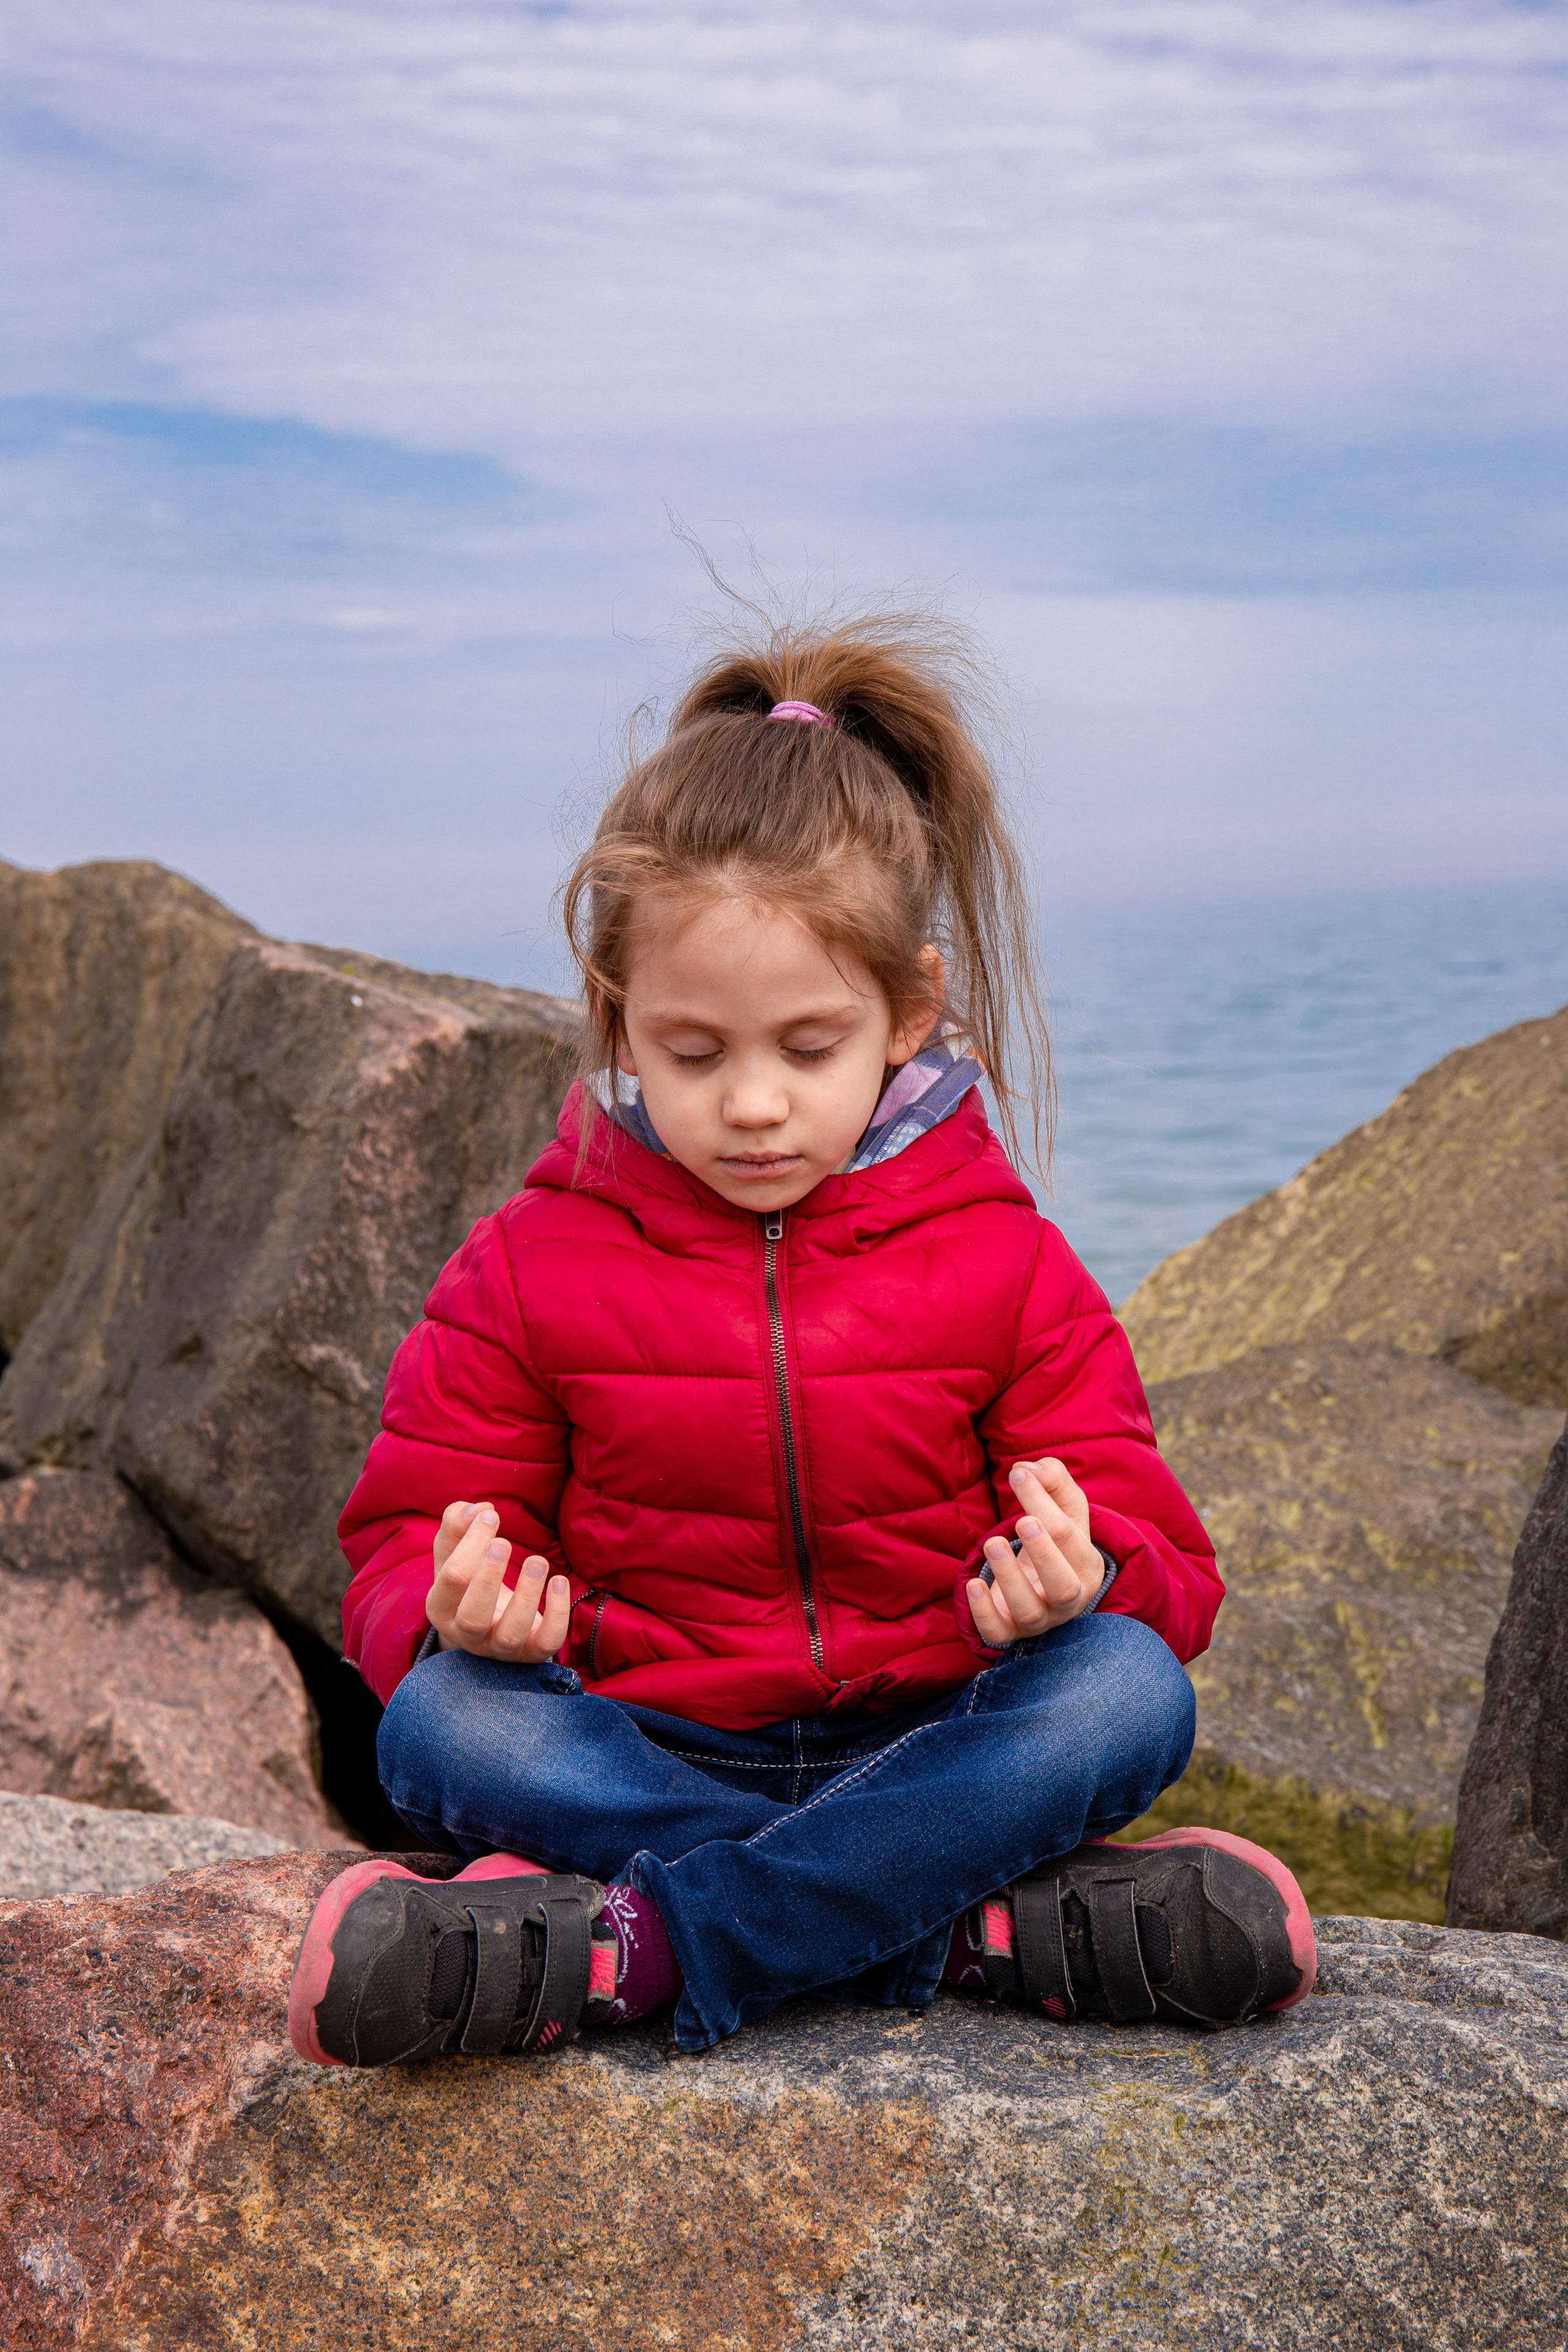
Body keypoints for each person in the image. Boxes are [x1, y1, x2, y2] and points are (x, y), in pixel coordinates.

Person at [287, 621, 1315, 2069]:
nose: (754, 1103)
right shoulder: (525, 1266)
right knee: (448, 1722)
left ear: (907, 1012)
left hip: (934, 1736)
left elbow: (1167, 1571)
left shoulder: (1005, 1262)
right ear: (619, 1023)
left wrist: (1082, 1579)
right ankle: (951, 1923)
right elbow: (399, 1551)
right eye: (694, 1052)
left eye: (807, 1046)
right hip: (644, 1749)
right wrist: (457, 1612)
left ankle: (648, 1942)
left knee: (1124, 1691)